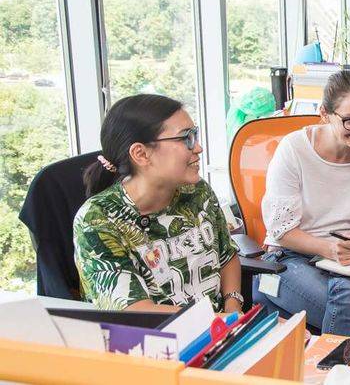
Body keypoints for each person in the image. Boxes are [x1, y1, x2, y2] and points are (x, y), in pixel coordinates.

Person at [258, 70, 350, 337]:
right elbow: (282, 232)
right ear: (325, 114)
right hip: (290, 257)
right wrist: (329, 249)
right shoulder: (293, 150)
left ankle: (335, 363)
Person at [73, 94, 242, 313]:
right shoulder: (98, 219)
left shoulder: (197, 191)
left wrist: (233, 307)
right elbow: (135, 311)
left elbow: (227, 256)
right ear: (141, 154)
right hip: (156, 334)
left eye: (195, 135)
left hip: (221, 327)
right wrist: (221, 321)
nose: (198, 148)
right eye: (186, 138)